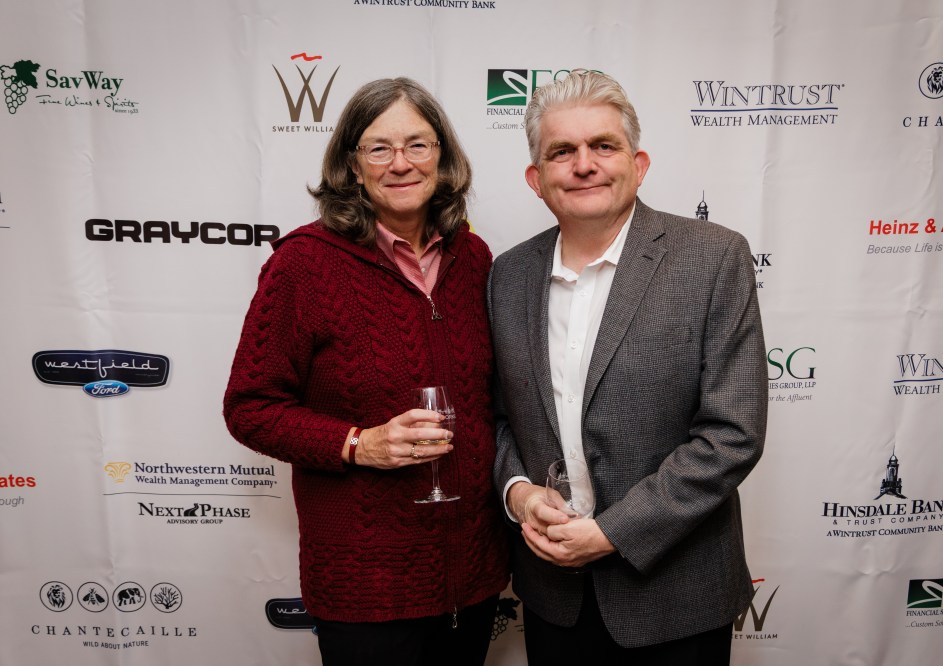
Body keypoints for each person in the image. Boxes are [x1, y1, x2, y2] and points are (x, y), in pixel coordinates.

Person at [224, 77, 508, 666]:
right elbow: (249, 407)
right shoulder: (304, 264)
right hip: (366, 586)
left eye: (418, 145)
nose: (400, 163)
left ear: (443, 159)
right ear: (352, 166)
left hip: (474, 575)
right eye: (379, 148)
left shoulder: (474, 258)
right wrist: (359, 443)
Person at [490, 70, 767, 664]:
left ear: (638, 165)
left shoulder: (714, 257)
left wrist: (613, 532)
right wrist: (518, 494)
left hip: (675, 597)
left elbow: (732, 433)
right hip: (553, 594)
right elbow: (500, 418)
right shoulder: (507, 275)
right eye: (562, 151)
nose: (583, 165)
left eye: (603, 146)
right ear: (536, 179)